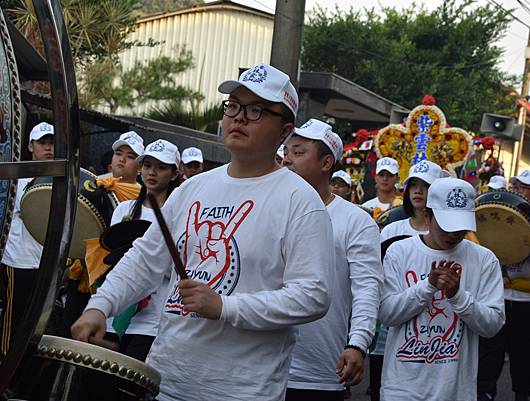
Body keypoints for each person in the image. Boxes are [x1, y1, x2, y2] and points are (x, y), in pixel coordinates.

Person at [71, 63, 334, 401]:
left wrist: (225, 306)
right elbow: (145, 260)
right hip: (165, 380)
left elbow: (313, 296)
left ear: (284, 132)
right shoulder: (191, 189)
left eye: (256, 110)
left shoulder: (300, 201)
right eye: (233, 106)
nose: (238, 117)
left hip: (243, 391)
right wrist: (100, 306)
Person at [379, 178, 505, 401]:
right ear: (427, 216)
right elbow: (387, 314)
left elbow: (492, 325)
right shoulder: (399, 252)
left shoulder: (484, 260)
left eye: (461, 226)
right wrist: (427, 286)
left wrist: (458, 296)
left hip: (455, 391)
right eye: (447, 225)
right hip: (401, 390)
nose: (454, 234)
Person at [282, 119, 382, 401]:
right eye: (286, 151)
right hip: (260, 365)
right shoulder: (268, 208)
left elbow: (366, 290)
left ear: (326, 163)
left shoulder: (356, 221)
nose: (287, 159)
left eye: (298, 153)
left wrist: (358, 344)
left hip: (320, 373)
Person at [478, 170, 530, 401]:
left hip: (527, 299)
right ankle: (485, 392)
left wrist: (527, 248)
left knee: (523, 351)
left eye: (524, 188)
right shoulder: (502, 214)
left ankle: (521, 393)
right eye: (516, 186)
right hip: (499, 295)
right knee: (491, 349)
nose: (518, 191)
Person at [369, 160, 441, 401]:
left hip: (432, 322)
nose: (418, 192)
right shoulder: (392, 229)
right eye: (414, 186)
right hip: (392, 318)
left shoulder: (445, 234)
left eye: (426, 186)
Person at [61, 131, 145, 337]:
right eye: (118, 153)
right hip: (81, 268)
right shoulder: (95, 184)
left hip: (111, 276)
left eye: (131, 156)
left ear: (141, 166)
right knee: (68, 329)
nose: (122, 159)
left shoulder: (142, 198)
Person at [103, 139, 181, 361]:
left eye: (161, 167)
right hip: (116, 315)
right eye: (147, 166)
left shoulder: (178, 215)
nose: (152, 172)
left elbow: (177, 269)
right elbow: (110, 258)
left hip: (151, 322)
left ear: (175, 174)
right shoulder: (123, 210)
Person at [0, 122, 54, 356]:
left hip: (44, 265)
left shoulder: (61, 182)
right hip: (16, 261)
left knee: (36, 327)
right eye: (43, 143)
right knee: (12, 324)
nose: (48, 148)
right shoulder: (16, 177)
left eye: (52, 143)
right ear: (30, 146)